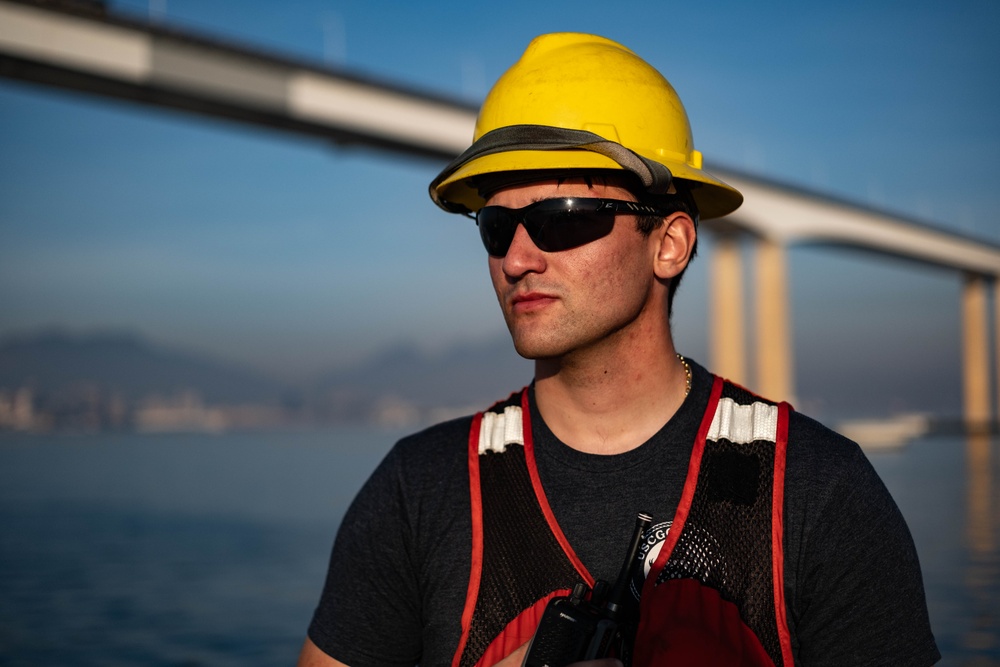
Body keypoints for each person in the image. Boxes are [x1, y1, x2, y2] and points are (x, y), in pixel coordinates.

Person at [298, 32, 939, 667]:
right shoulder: (420, 490)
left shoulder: (818, 494)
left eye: (566, 217)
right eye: (497, 228)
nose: (518, 258)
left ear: (670, 244)